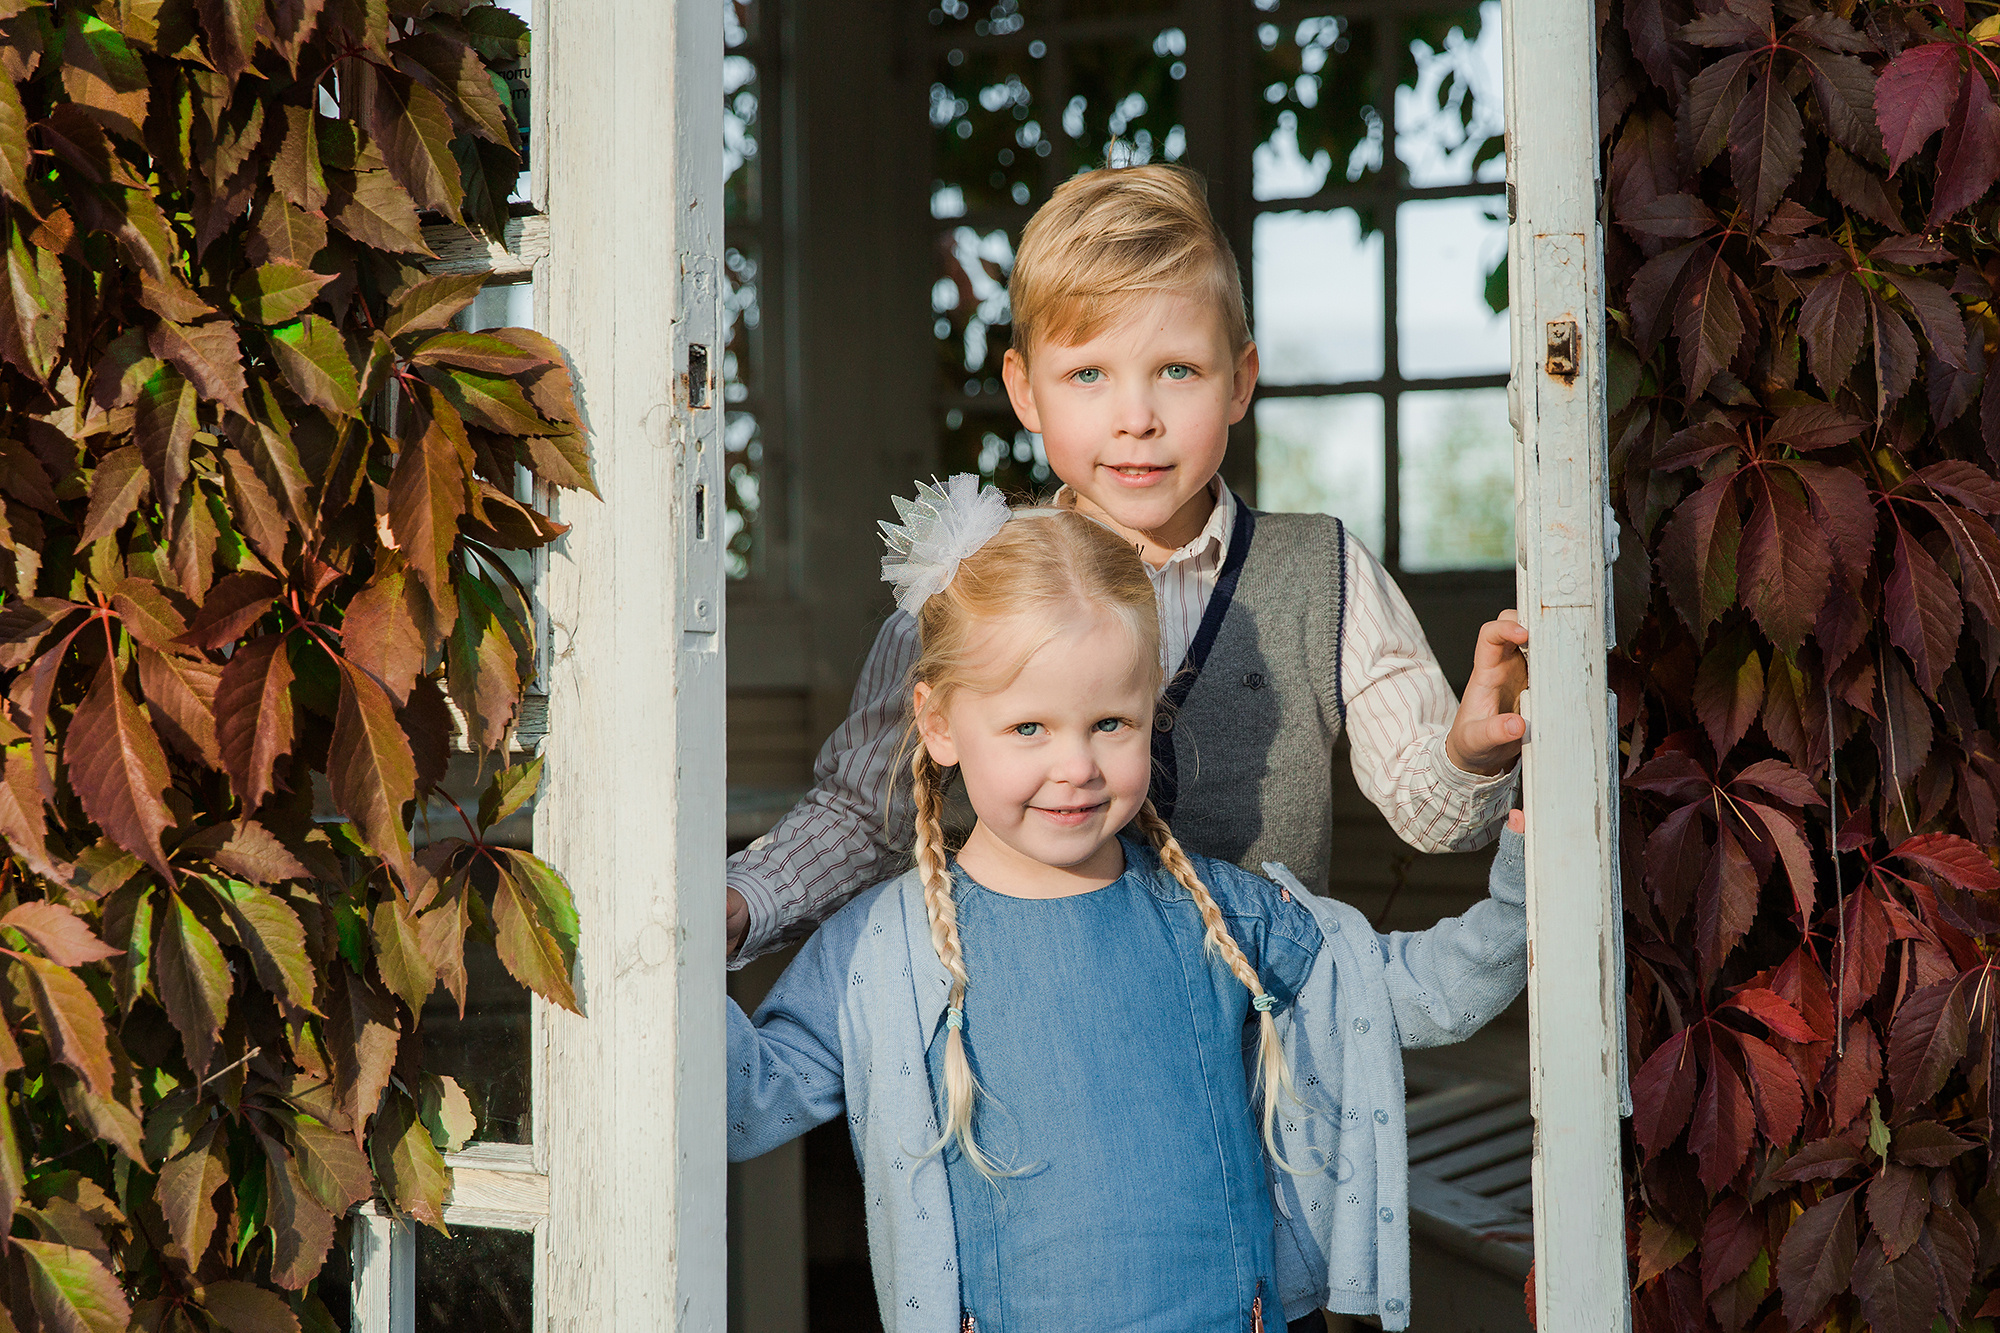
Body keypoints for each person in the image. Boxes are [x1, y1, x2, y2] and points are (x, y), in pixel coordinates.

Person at [727, 484, 1528, 1332]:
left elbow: (1417, 992)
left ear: (1153, 707)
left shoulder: (1219, 913)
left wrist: (1526, 883)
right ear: (939, 722)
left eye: (1111, 722)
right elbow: (746, 1101)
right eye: (1029, 728)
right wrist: (665, 943)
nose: (1076, 766)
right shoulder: (886, 952)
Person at [727, 163, 1528, 963]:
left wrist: (1468, 752)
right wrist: (744, 898)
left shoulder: (1325, 570)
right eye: (1088, 375)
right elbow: (867, 815)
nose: (1137, 418)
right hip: (1033, 1016)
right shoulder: (974, 579)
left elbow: (1433, 812)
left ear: (1240, 381)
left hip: (1261, 1032)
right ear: (1025, 390)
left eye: (1178, 370)